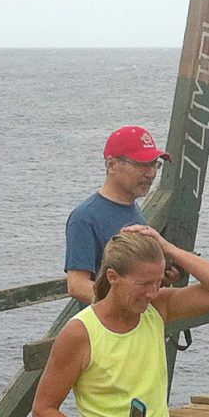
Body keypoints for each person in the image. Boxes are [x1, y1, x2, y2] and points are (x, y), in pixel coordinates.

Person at [33, 226, 209, 417]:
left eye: (157, 282)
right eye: (143, 284)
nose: (152, 292)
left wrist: (168, 248)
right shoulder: (81, 332)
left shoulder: (157, 309)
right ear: (113, 277)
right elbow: (43, 411)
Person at [65, 126, 171, 305]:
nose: (151, 173)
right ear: (111, 165)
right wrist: (128, 302)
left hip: (132, 325)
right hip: (104, 328)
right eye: (141, 164)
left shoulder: (134, 210)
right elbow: (76, 285)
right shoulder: (84, 217)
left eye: (154, 165)